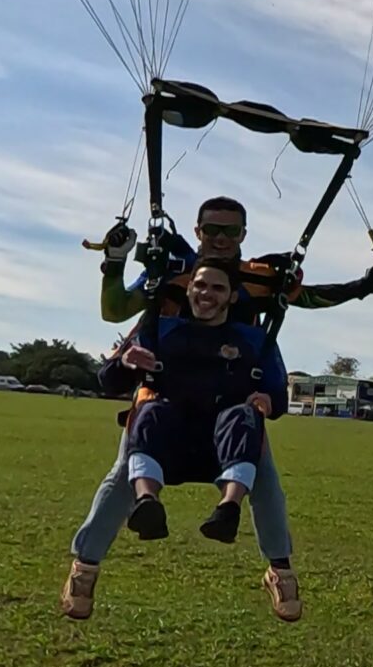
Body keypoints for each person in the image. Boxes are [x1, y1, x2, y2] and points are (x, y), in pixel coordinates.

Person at [60, 256, 294, 622]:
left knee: (253, 442)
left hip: (224, 444)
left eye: (217, 288)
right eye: (200, 285)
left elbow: (278, 395)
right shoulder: (159, 328)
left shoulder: (253, 340)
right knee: (143, 426)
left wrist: (269, 401)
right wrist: (126, 362)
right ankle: (133, 517)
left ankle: (234, 517)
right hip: (167, 438)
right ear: (188, 289)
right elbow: (108, 379)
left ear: (233, 297)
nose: (206, 294)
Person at [97, 196, 373, 328]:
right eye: (212, 230)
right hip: (166, 391)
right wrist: (116, 260)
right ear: (198, 232)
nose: (220, 239)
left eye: (231, 231)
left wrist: (364, 285)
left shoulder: (257, 278)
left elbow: (311, 297)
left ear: (243, 235)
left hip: (232, 394)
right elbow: (115, 312)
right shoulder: (172, 270)